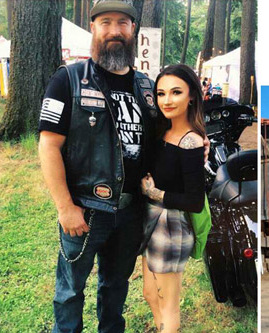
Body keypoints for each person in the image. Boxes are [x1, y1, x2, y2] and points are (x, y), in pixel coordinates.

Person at [38, 1, 156, 331]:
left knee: (116, 288)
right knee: (70, 291)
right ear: (93, 27)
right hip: (85, 210)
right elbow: (49, 145)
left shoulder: (146, 88)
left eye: (122, 23)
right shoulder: (68, 79)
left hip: (132, 212)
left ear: (133, 29)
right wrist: (65, 207)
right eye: (106, 22)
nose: (114, 30)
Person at [139, 64, 205, 332]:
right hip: (152, 220)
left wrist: (154, 193)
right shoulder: (163, 130)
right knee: (149, 294)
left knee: (168, 303)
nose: (167, 100)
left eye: (176, 92)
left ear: (191, 96)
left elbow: (195, 201)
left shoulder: (191, 142)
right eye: (161, 93)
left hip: (171, 225)